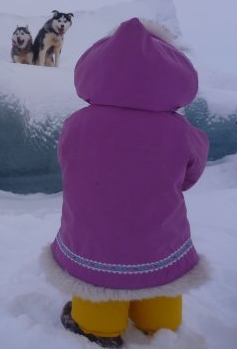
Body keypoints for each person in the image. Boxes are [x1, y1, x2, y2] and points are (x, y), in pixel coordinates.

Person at [42, 18, 210, 348]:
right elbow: (191, 175)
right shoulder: (180, 132)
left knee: (97, 309)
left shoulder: (76, 125)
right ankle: (157, 322)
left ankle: (99, 328)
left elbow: (69, 166)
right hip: (160, 245)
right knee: (162, 307)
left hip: (95, 248)